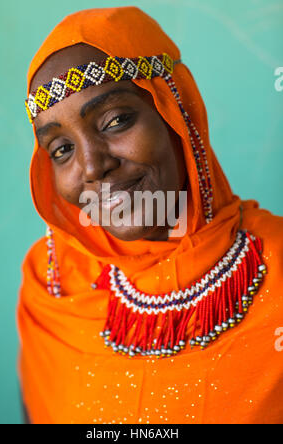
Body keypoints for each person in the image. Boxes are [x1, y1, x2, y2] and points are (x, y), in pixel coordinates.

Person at [17, 6, 283, 425]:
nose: (91, 166)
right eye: (61, 149)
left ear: (178, 113)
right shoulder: (51, 289)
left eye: (115, 120)